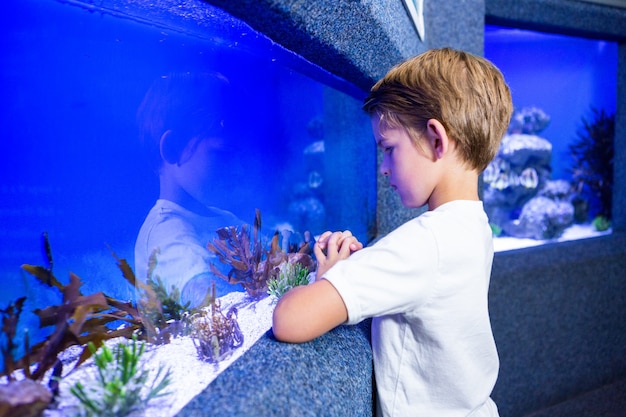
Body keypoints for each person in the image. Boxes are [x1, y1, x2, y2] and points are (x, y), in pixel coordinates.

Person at [272, 47, 513, 417]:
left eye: (389, 149)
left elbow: (290, 319)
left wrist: (326, 280)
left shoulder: (424, 244)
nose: (383, 169)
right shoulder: (473, 224)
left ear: (436, 139)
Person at [134, 72, 247, 308]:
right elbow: (212, 304)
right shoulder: (165, 235)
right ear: (174, 148)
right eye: (224, 155)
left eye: (238, 157)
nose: (238, 169)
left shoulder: (222, 218)